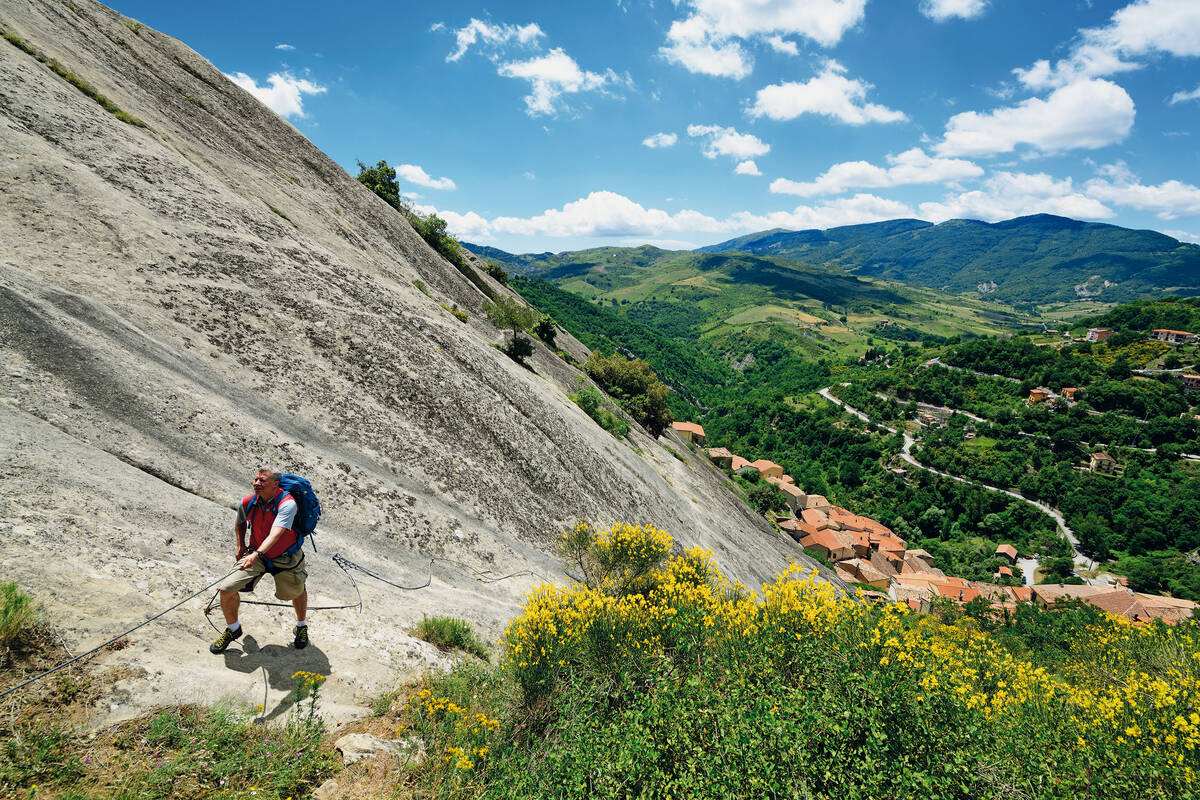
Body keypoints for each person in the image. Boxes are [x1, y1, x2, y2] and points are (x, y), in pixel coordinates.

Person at [210, 469, 309, 653]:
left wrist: (256, 555)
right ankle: (233, 629)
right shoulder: (249, 501)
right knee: (226, 589)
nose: (256, 483)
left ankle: (301, 626)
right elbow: (240, 521)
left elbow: (276, 534)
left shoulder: (288, 504)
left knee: (297, 590)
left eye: (262, 480)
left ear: (275, 484)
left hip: (285, 556)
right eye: (255, 479)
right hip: (256, 553)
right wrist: (241, 546)